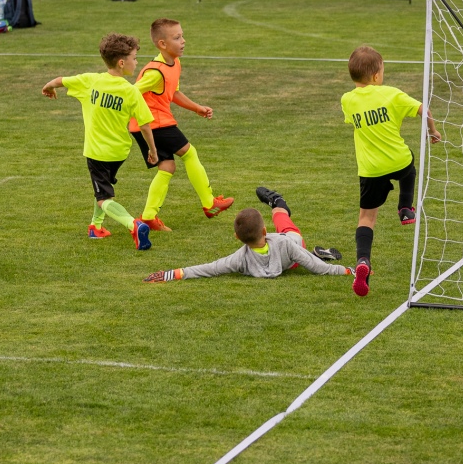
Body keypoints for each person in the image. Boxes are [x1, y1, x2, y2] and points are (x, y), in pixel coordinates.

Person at [41, 33, 158, 250]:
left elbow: (60, 80)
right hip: (119, 152)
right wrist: (153, 151)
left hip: (97, 153)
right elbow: (144, 125)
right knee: (103, 188)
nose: (136, 61)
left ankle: (134, 225)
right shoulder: (131, 92)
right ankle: (96, 227)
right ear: (122, 63)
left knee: (104, 197)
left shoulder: (90, 81)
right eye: (134, 57)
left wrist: (48, 87)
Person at [342, 46, 441, 297]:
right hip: (397, 160)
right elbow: (424, 110)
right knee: (409, 168)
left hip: (371, 169)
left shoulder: (347, 100)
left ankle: (363, 262)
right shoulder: (391, 94)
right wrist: (432, 132)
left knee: (366, 218)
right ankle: (405, 207)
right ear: (376, 76)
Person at [129, 18, 234, 230]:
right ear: (162, 44)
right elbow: (131, 92)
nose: (183, 41)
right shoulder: (154, 72)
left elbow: (173, 92)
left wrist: (196, 107)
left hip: (151, 123)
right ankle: (209, 203)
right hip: (153, 124)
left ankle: (149, 216)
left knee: (167, 167)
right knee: (189, 153)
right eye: (177, 38)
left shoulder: (174, 63)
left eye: (182, 35)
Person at [142, 188, 352, 283]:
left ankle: (311, 251)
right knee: (284, 222)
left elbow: (210, 268)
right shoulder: (282, 243)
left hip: (291, 260)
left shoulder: (240, 259)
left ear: (237, 237)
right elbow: (319, 269)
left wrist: (171, 274)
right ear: (263, 231)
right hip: (294, 245)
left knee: (299, 252)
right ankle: (277, 202)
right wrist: (349, 271)